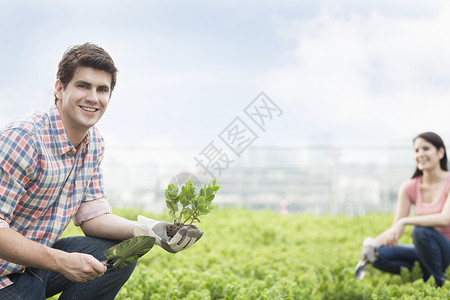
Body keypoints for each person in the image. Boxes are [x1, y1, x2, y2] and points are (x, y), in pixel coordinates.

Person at [0, 42, 203, 299]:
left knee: (123, 251)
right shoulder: (24, 138)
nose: (93, 97)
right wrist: (62, 261)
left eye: (102, 89)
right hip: (4, 276)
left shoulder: (93, 143)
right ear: (59, 89)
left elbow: (92, 215)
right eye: (83, 86)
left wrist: (148, 229)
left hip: (34, 266)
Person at [360, 132, 450, 286]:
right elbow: (395, 230)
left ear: (440, 152)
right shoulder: (410, 187)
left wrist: (405, 221)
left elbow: (445, 218)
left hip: (447, 249)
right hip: (427, 252)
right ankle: (428, 274)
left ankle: (437, 284)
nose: (420, 154)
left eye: (426, 149)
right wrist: (371, 244)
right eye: (416, 150)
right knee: (378, 255)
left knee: (421, 231)